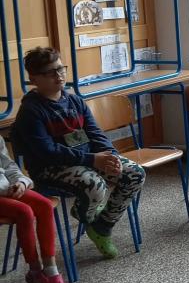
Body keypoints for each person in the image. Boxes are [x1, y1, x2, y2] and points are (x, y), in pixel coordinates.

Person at [13, 48, 146, 259]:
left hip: (86, 160)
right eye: (50, 72)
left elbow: (95, 133)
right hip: (51, 168)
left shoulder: (74, 101)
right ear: (34, 79)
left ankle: (102, 227)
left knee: (134, 173)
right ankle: (85, 213)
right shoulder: (31, 111)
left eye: (60, 69)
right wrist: (93, 160)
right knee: (95, 185)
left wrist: (111, 156)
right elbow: (48, 152)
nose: (59, 75)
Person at [0, 134, 72, 283]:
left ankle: (51, 270)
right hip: (2, 192)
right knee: (24, 212)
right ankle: (35, 271)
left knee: (45, 206)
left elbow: (9, 166)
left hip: (5, 188)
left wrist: (21, 182)